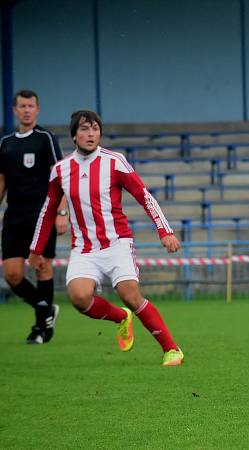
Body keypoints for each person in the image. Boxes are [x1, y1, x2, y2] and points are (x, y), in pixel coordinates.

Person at [28, 109, 185, 366]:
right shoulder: (61, 170)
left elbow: (144, 196)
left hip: (117, 243)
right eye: (84, 129)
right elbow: (47, 211)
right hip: (84, 248)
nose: (91, 134)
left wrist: (165, 231)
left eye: (95, 129)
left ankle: (171, 349)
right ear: (74, 135)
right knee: (78, 298)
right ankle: (121, 318)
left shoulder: (115, 162)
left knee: (130, 294)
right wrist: (35, 249)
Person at [0, 90, 69, 344]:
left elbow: (59, 178)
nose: (26, 110)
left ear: (37, 109)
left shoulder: (45, 138)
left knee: (42, 266)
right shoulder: (5, 143)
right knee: (12, 274)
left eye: (31, 106)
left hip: (42, 214)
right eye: (22, 106)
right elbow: (1, 182)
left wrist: (62, 212)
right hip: (14, 216)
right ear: (14, 111)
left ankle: (41, 328)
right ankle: (47, 310)